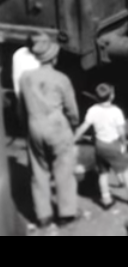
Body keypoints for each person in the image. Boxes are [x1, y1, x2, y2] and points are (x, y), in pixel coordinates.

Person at [17, 38, 79, 234]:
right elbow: (72, 110)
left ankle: (43, 216)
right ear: (54, 58)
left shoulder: (25, 77)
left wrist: (25, 127)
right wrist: (74, 125)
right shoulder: (62, 79)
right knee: (63, 169)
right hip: (57, 126)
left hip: (34, 125)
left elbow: (21, 107)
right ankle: (66, 214)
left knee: (38, 171)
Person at [74, 83, 128, 209]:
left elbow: (83, 127)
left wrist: (73, 138)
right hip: (113, 146)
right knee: (125, 171)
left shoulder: (92, 110)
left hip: (99, 146)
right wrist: (124, 143)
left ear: (96, 97)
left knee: (103, 173)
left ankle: (106, 199)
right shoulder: (116, 112)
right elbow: (121, 132)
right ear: (112, 96)